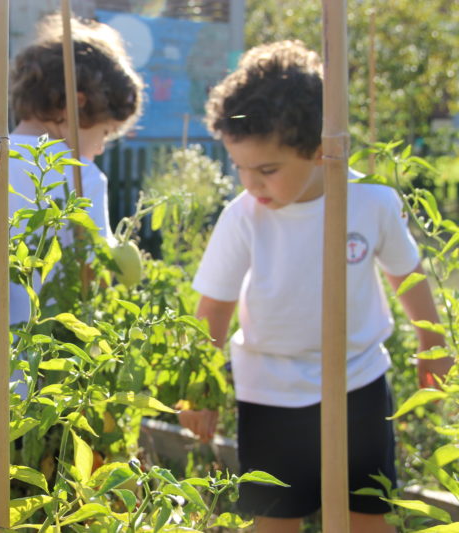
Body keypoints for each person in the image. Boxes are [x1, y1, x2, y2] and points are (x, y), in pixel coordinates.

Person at [177, 40, 452, 533]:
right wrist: (200, 387)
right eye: (239, 168)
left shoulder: (370, 202)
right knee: (275, 521)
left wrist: (432, 341)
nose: (251, 184)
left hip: (359, 382)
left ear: (323, 148)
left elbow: (406, 274)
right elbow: (213, 308)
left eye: (267, 170)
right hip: (271, 391)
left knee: (367, 515)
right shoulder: (242, 218)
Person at [0, 13, 144, 391]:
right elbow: (96, 267)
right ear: (75, 106)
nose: (103, 146)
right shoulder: (82, 176)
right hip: (53, 371)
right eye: (105, 132)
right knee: (46, 448)